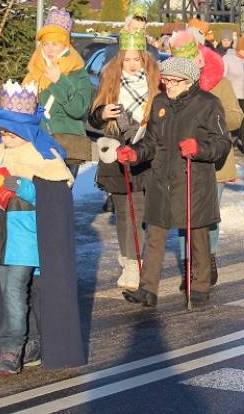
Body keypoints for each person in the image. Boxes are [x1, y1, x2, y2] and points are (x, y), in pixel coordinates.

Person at [0, 81, 83, 373]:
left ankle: (11, 351)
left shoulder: (43, 156)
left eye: (11, 132)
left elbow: (53, 197)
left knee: (15, 293)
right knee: (10, 295)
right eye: (2, 133)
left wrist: (24, 187)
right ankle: (33, 344)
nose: (6, 138)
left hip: (25, 239)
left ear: (26, 130)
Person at [117, 56, 232, 307]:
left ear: (188, 81)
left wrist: (200, 147)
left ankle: (200, 285)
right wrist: (135, 153)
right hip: (161, 178)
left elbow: (223, 142)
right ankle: (147, 289)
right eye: (165, 80)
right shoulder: (160, 103)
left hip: (193, 179)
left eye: (172, 81)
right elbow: (151, 142)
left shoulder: (208, 104)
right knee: (155, 233)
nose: (167, 85)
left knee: (197, 233)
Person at [88, 29, 160, 292]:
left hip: (143, 153)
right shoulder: (110, 81)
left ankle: (134, 263)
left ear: (145, 60)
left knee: (136, 210)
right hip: (115, 152)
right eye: (127, 59)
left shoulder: (155, 85)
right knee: (121, 211)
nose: (131, 65)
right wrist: (102, 113)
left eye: (136, 60)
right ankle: (127, 256)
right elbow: (92, 117)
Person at [171, 31, 243, 287]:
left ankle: (208, 259)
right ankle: (188, 265)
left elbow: (236, 117)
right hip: (182, 160)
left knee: (207, 216)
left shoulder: (220, 84)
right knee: (184, 215)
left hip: (214, 162)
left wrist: (213, 118)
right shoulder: (172, 85)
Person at [23, 8, 93, 175]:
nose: (49, 49)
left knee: (59, 198)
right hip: (35, 145)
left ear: (65, 44)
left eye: (55, 43)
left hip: (65, 148)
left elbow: (79, 110)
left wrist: (59, 81)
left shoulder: (77, 72)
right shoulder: (34, 71)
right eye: (45, 43)